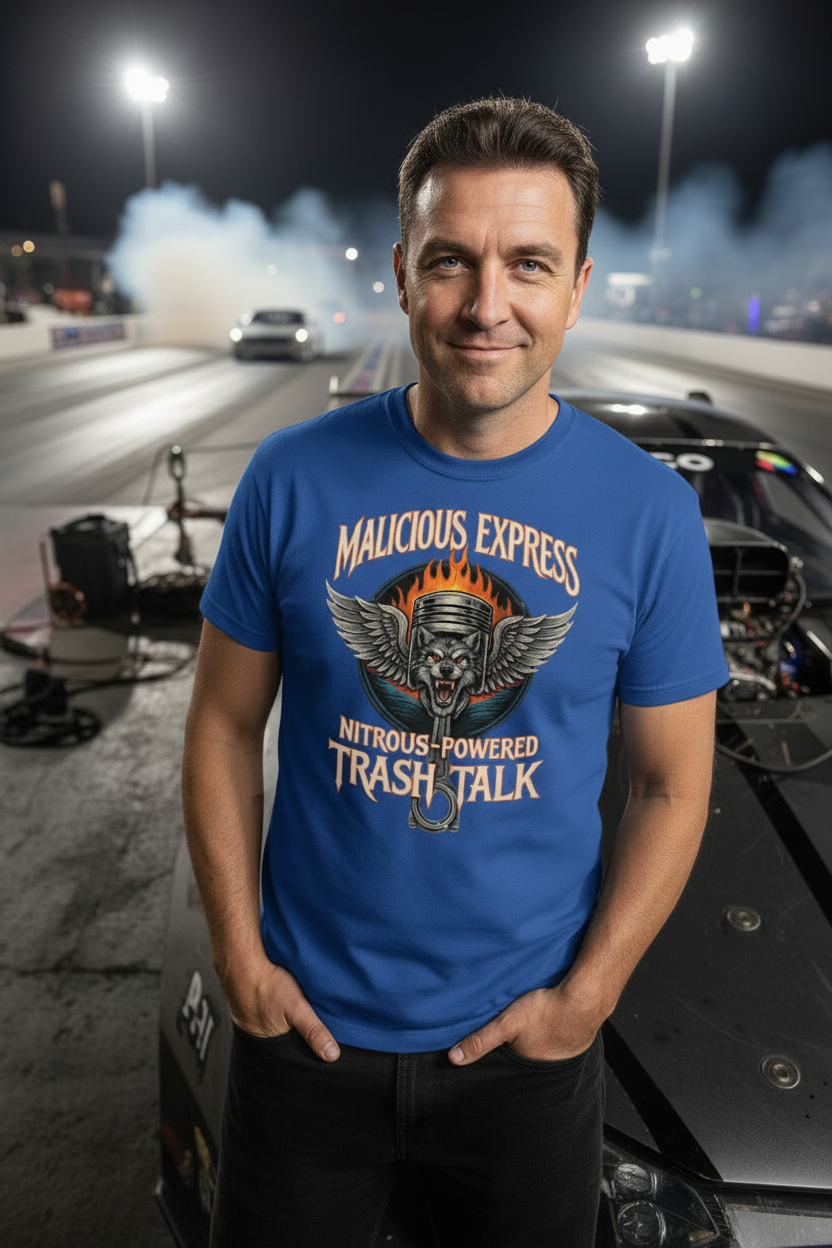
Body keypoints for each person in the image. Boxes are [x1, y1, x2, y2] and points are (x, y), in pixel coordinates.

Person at [183, 97, 729, 1248]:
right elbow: (223, 728)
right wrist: (237, 954)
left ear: (576, 287)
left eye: (528, 263)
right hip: (304, 1042)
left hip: (524, 1065)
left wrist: (587, 997)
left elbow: (672, 785)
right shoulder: (289, 479)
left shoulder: (648, 514)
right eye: (450, 262)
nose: (487, 306)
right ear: (401, 274)